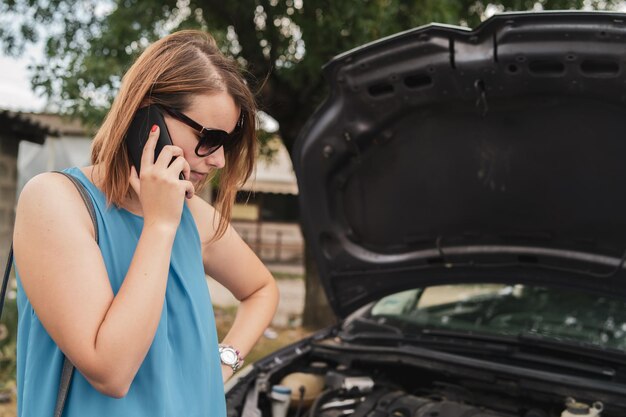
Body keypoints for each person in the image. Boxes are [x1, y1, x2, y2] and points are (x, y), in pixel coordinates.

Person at [12, 30, 279, 416]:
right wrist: (159, 226)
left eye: (229, 142)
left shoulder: (194, 216)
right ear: (146, 118)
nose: (218, 160)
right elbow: (111, 372)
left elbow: (261, 289)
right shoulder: (56, 202)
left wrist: (223, 362)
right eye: (209, 138)